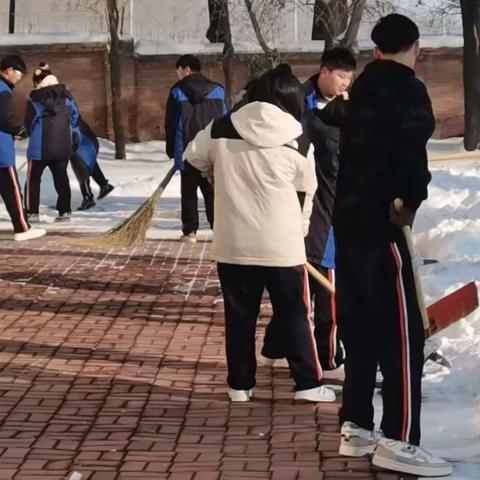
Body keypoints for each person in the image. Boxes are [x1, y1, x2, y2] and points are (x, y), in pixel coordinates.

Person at [333, 14, 451, 477]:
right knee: (402, 334)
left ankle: (356, 425)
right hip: (385, 224)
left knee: (358, 326)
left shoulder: (358, 88)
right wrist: (410, 198)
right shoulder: (406, 88)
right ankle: (400, 439)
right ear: (415, 48)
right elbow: (410, 153)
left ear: (376, 47)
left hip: (349, 223)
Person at [184, 65, 335, 404]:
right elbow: (307, 190)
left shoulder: (222, 127)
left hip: (233, 243)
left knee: (240, 317)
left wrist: (214, 175)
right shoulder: (297, 136)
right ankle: (308, 384)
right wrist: (300, 232)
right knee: (295, 313)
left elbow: (192, 157)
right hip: (281, 245)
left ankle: (240, 385)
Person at [260, 49, 356, 372]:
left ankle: (275, 346)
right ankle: (326, 359)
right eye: (341, 76)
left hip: (329, 211)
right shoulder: (299, 104)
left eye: (349, 78)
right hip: (306, 208)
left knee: (306, 286)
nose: (345, 83)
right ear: (324, 71)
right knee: (312, 287)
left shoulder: (345, 110)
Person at [165, 54, 227, 243]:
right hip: (212, 151)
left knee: (189, 191)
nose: (177, 75)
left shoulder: (177, 92)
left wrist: (171, 149)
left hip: (187, 150)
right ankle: (219, 230)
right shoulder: (218, 91)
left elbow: (172, 123)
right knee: (211, 192)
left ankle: (190, 231)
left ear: (186, 69)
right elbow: (225, 119)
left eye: (178, 71)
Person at [24, 63, 79, 222]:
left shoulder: (35, 100)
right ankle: (65, 212)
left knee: (33, 180)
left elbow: (28, 123)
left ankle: (32, 212)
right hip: (62, 147)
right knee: (61, 178)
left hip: (39, 149)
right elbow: (75, 119)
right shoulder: (68, 98)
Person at [0, 55, 46, 241]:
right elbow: (4, 117)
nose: (19, 78)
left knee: (10, 192)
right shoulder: (3, 90)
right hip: (1, 152)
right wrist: (18, 128)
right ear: (8, 70)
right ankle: (22, 228)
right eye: (18, 73)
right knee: (12, 192)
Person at [70, 117, 114, 210]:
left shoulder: (63, 110)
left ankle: (88, 198)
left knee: (80, 167)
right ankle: (104, 185)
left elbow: (73, 129)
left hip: (82, 142)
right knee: (88, 162)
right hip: (88, 141)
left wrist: (73, 146)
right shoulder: (66, 107)